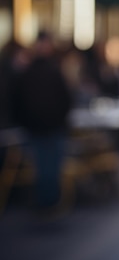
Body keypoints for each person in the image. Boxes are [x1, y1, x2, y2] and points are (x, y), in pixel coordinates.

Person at [11, 31, 73, 216]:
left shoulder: (29, 73)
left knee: (43, 168)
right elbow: (66, 99)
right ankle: (50, 204)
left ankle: (46, 203)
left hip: (40, 128)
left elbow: (16, 101)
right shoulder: (50, 72)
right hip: (48, 128)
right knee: (49, 168)